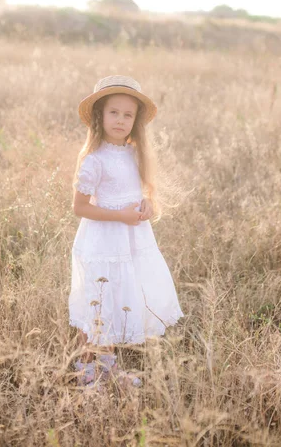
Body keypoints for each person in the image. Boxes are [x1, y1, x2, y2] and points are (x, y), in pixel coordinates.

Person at [68, 75, 184, 389]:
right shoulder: (94, 160)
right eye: (114, 113)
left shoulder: (135, 155)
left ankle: (109, 370)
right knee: (100, 306)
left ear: (136, 122)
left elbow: (145, 195)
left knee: (120, 299)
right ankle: (89, 372)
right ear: (99, 116)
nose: (121, 120)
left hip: (133, 241)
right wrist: (119, 215)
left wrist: (147, 205)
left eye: (128, 115)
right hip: (103, 242)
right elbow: (80, 207)